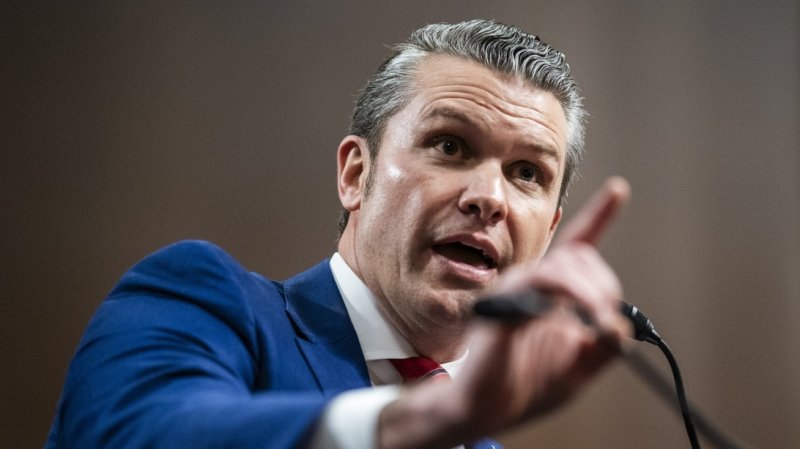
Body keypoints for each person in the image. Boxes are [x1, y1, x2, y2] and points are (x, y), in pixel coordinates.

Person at [45, 19, 632, 449]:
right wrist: (428, 417)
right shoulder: (208, 303)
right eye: (450, 146)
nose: (490, 198)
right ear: (357, 174)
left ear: (550, 231)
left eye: (526, 173)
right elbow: (131, 434)